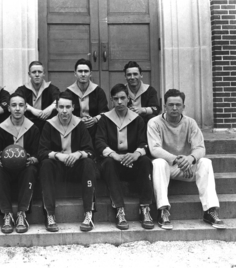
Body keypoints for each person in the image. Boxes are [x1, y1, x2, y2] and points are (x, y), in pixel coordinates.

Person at [148, 89, 225, 230]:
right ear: (164, 106)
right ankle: (163, 210)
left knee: (205, 162)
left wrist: (190, 159)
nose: (174, 108)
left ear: (184, 106)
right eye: (170, 104)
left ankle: (210, 210)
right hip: (168, 167)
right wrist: (177, 160)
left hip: (187, 168)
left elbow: (200, 148)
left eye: (178, 104)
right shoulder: (154, 123)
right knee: (158, 163)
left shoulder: (190, 123)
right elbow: (154, 149)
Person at [95, 84, 154, 230]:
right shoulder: (105, 119)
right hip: (114, 162)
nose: (120, 102)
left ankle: (145, 208)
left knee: (146, 161)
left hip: (131, 160)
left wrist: (135, 154)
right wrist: (114, 155)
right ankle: (119, 209)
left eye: (123, 98)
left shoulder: (138, 119)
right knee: (107, 163)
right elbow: (99, 141)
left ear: (128, 99)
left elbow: (143, 142)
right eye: (116, 99)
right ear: (111, 100)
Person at [38, 91, 97, 232]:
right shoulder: (49, 125)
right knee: (46, 164)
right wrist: (58, 155)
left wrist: (78, 154)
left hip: (75, 168)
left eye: (68, 107)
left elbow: (90, 150)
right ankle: (50, 214)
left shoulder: (80, 124)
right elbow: (41, 152)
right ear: (57, 107)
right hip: (57, 168)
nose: (64, 111)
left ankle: (88, 213)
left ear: (73, 107)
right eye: (61, 107)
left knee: (88, 163)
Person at [0, 93, 40, 234]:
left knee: (31, 169)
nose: (17, 109)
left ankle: (22, 213)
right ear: (8, 108)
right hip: (6, 169)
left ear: (26, 108)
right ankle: (7, 214)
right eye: (14, 105)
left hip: (25, 168)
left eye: (21, 105)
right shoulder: (1, 128)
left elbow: (38, 152)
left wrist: (35, 159)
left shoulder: (33, 128)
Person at [66, 58, 108, 142]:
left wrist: (94, 119)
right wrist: (78, 120)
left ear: (91, 74)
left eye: (86, 71)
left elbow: (104, 112)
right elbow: (65, 111)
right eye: (80, 71)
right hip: (74, 127)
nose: (83, 74)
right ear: (75, 73)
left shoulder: (98, 91)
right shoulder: (68, 92)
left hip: (95, 127)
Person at [15, 61, 60, 132]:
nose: (37, 75)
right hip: (26, 127)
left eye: (39, 72)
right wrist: (32, 110)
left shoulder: (52, 89)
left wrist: (50, 109)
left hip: (48, 127)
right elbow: (16, 101)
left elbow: (59, 101)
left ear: (44, 73)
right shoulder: (21, 89)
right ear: (29, 74)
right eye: (34, 72)